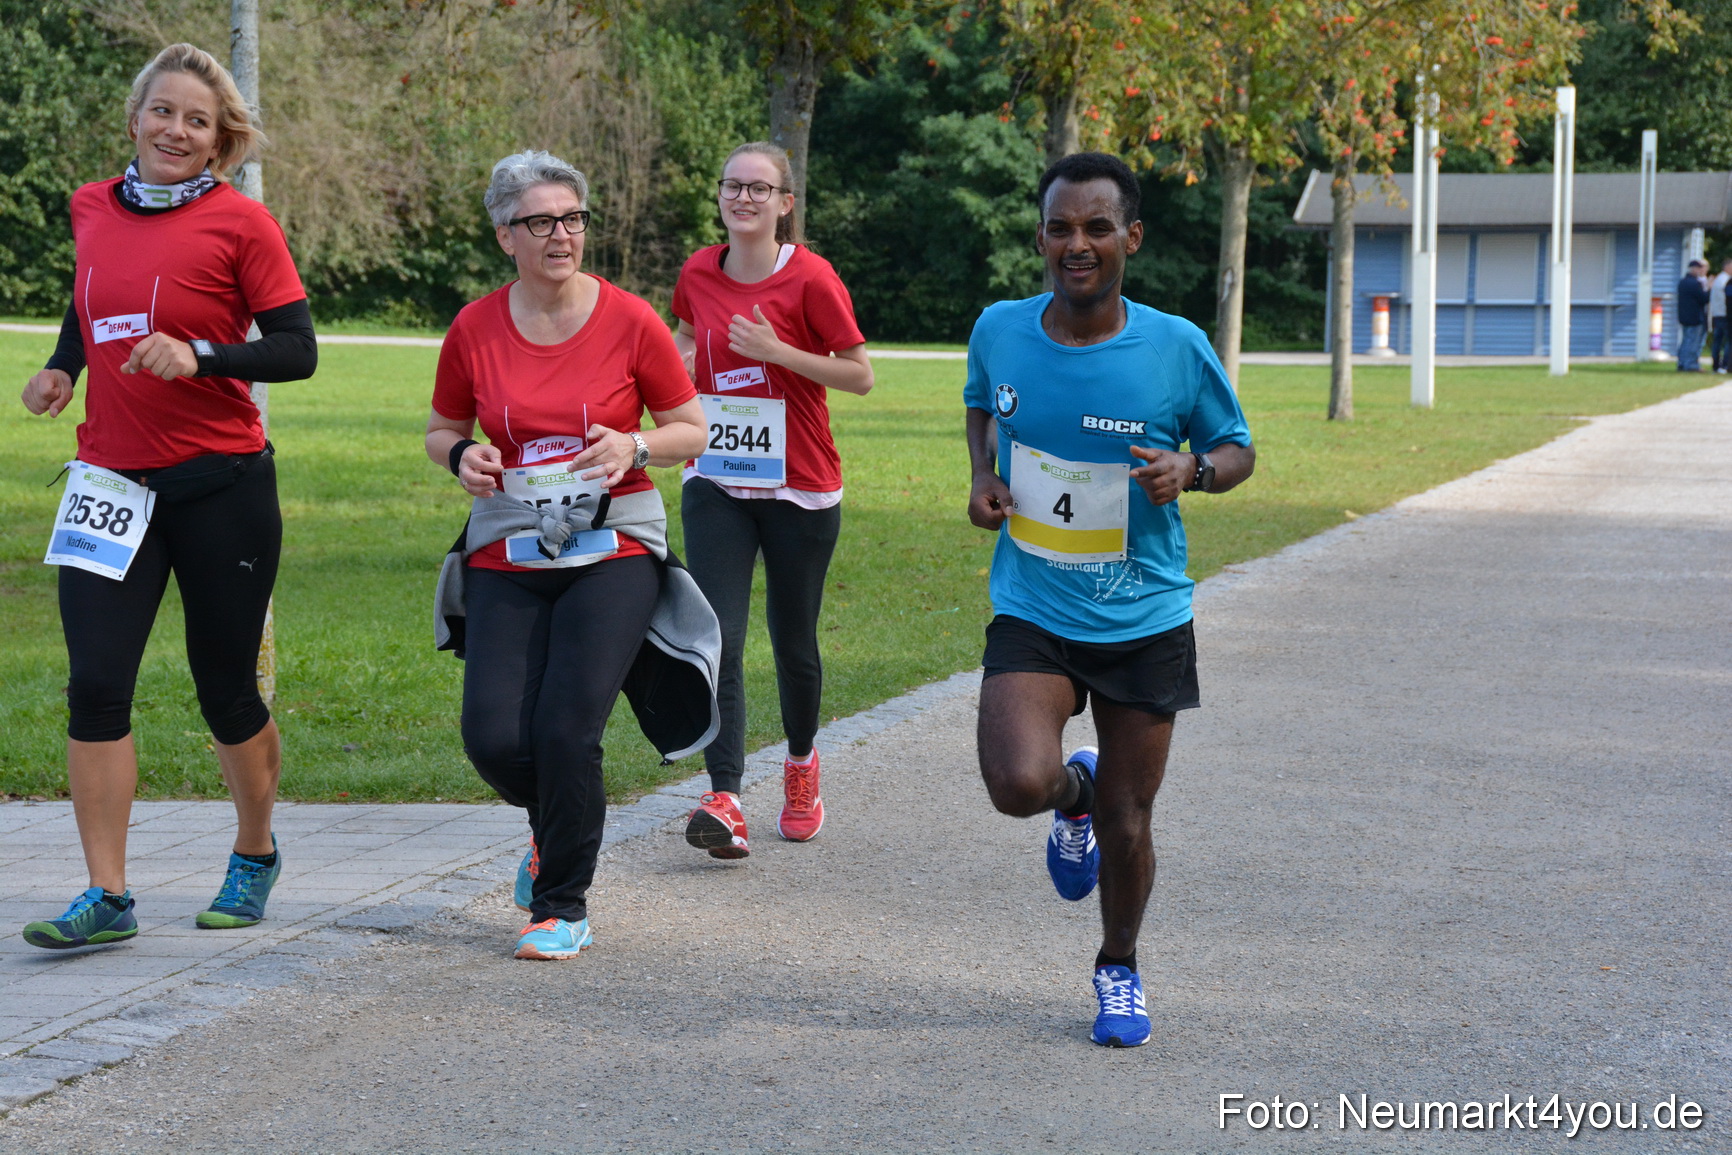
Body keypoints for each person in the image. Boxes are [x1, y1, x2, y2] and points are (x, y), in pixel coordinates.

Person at [17, 44, 316, 950]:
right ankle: (106, 894)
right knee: (95, 685)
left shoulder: (242, 225)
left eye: (198, 120)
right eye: (163, 112)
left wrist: (203, 354)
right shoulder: (90, 207)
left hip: (220, 483)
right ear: (135, 117)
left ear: (220, 139)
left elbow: (297, 348)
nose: (176, 131)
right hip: (108, 483)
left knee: (224, 688)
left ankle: (255, 850)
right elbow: (88, 297)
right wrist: (63, 365)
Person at [963, 152, 1253, 1047]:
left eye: (1096, 227)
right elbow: (983, 406)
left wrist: (1193, 469)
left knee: (1130, 824)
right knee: (1017, 782)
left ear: (1131, 236)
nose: (1075, 244)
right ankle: (1068, 792)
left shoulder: (1173, 347)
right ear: (1041, 236)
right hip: (1035, 604)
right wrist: (982, 474)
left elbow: (1237, 447)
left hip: (1143, 615)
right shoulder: (1001, 329)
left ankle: (1117, 964)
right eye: (1059, 227)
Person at [426, 150, 717, 960]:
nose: (563, 235)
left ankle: (563, 904)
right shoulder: (475, 327)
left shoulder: (629, 320)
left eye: (574, 219)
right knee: (492, 736)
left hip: (614, 539)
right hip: (509, 541)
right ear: (504, 237)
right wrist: (461, 459)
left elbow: (691, 426)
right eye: (542, 222)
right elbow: (442, 429)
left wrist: (635, 443)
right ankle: (554, 827)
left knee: (565, 727)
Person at [670, 142, 873, 859]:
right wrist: (679, 366)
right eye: (733, 186)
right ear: (721, 196)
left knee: (794, 642)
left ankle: (800, 764)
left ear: (786, 203)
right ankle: (723, 794)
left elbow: (859, 375)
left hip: (801, 486)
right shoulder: (698, 270)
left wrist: (777, 351)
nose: (745, 198)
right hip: (717, 477)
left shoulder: (812, 279)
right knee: (716, 633)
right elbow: (687, 334)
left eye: (761, 189)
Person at [1676, 258, 1709, 372]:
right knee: (1693, 342)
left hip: (1684, 316)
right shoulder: (1695, 283)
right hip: (1695, 317)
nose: (1700, 271)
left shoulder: (1683, 282)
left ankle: (1682, 363)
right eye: (1699, 268)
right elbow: (1704, 298)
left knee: (1686, 341)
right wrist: (1709, 289)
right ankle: (1691, 365)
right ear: (1694, 269)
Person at [1709, 259, 1731, 373]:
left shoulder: (1718, 279)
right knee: (1728, 341)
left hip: (1717, 314)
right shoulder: (1726, 280)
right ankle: (1725, 365)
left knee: (1717, 341)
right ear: (1727, 267)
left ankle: (1716, 365)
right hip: (1724, 314)